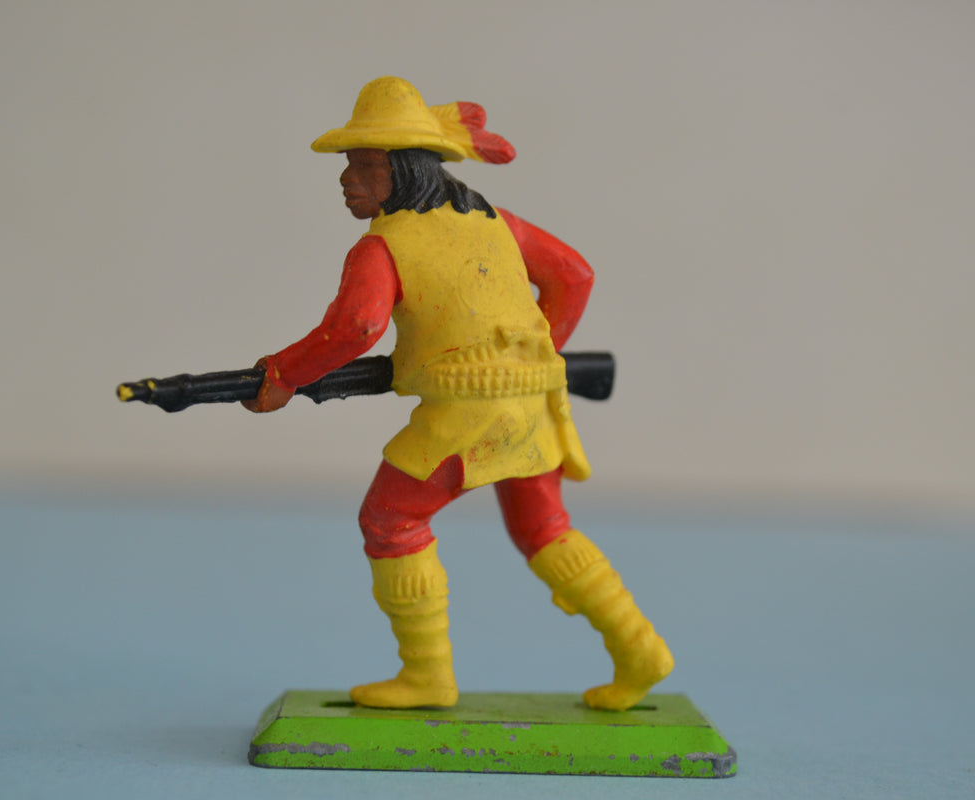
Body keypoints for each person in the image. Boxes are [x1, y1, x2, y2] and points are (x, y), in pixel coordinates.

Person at [243, 77, 673, 711]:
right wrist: (533, 355)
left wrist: (283, 376)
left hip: (464, 416)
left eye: (365, 164)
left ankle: (426, 675)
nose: (347, 178)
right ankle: (640, 649)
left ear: (405, 169)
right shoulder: (498, 223)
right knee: (545, 528)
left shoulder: (383, 245)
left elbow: (356, 328)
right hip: (534, 403)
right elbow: (574, 276)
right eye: (349, 163)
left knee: (390, 519)